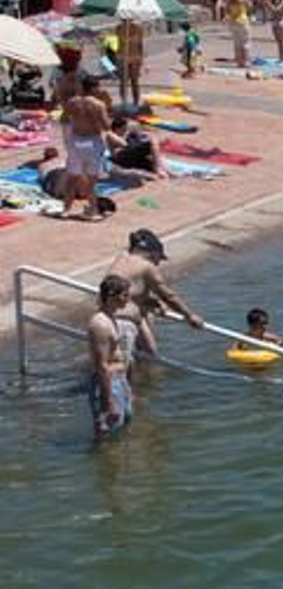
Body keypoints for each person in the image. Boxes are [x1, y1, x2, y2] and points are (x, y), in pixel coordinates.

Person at [118, 229, 203, 358]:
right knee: (145, 356)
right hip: (122, 321)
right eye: (159, 258)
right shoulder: (147, 267)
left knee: (146, 353)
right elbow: (168, 296)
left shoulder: (122, 258)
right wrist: (190, 316)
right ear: (153, 253)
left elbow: (127, 291)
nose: (158, 263)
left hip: (105, 315)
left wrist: (151, 301)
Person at [59, 75, 115, 221]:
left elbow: (64, 119)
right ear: (94, 88)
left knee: (72, 178)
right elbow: (106, 126)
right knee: (91, 180)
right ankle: (93, 210)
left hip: (76, 140)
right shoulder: (98, 105)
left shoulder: (72, 102)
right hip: (92, 141)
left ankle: (66, 210)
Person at [87, 275, 136, 439]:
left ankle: (118, 462)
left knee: (122, 428)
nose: (128, 299)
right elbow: (102, 366)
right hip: (109, 384)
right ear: (110, 296)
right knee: (107, 433)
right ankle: (104, 462)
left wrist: (127, 385)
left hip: (119, 381)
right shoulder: (100, 324)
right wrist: (108, 403)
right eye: (124, 295)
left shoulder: (111, 318)